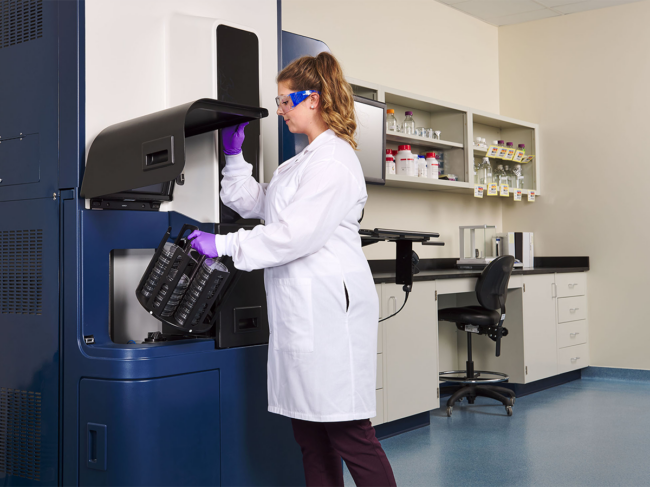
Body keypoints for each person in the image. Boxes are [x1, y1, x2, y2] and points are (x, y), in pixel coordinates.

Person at [188, 52, 397, 487]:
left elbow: (293, 235)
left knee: (348, 433)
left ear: (314, 99)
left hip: (328, 312)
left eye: (286, 101)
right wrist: (233, 155)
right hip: (302, 310)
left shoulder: (334, 161)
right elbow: (255, 202)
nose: (280, 110)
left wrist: (222, 245)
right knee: (309, 433)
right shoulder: (299, 163)